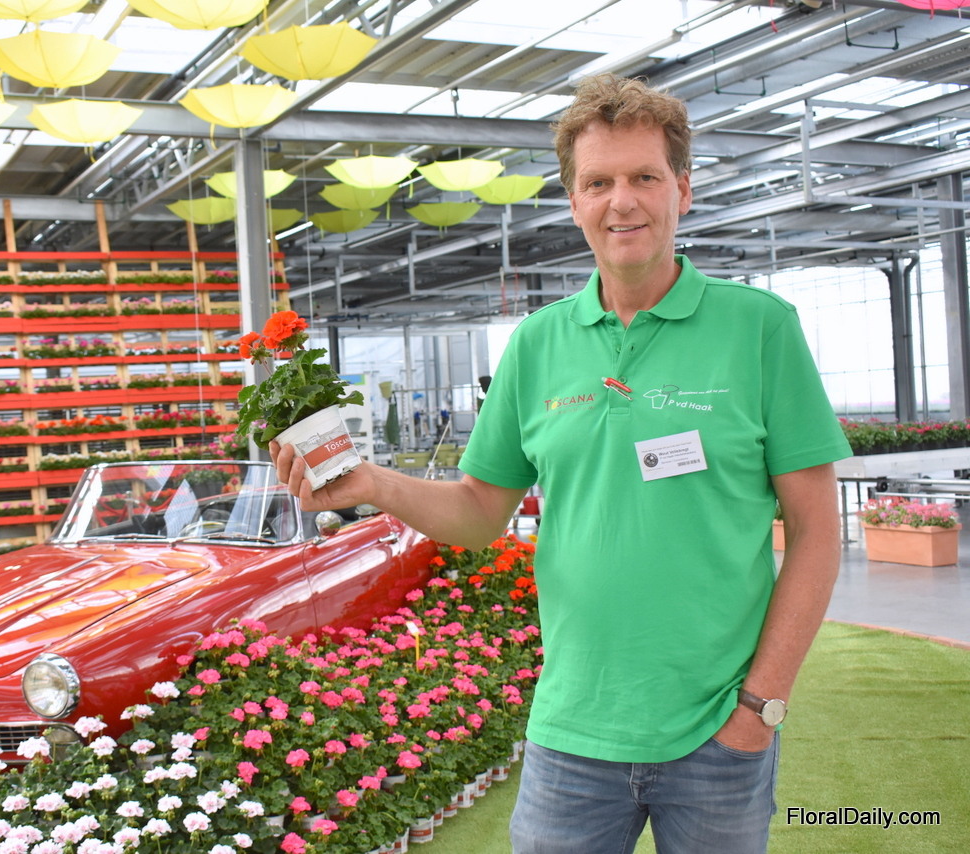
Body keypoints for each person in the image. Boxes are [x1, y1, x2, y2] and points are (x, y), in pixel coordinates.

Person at [273, 73, 851, 854]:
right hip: (571, 734)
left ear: (682, 189)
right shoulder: (537, 344)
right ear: (574, 201)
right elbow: (481, 511)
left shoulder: (760, 330)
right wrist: (374, 484)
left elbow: (816, 532)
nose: (623, 201)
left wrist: (761, 707)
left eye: (645, 177)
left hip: (719, 732)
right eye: (599, 182)